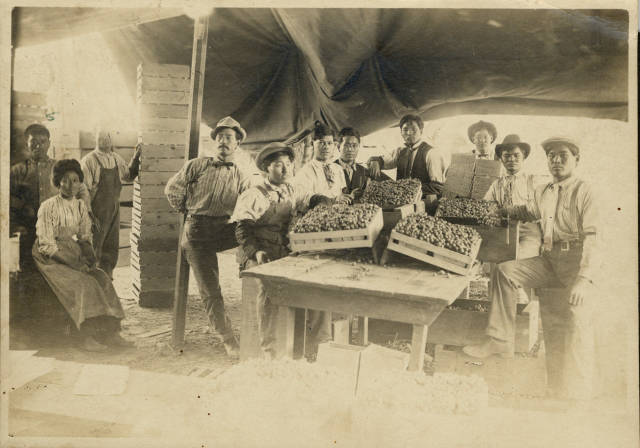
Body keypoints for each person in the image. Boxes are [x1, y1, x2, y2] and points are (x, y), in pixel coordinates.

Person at [463, 137, 598, 403]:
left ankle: (581, 393)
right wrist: (496, 212)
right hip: (549, 260)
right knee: (504, 271)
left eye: (563, 156)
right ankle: (500, 341)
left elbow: (595, 238)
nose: (556, 161)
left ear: (576, 160)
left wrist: (584, 279)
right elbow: (526, 210)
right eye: (551, 156)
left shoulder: (585, 191)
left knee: (577, 321)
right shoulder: (545, 190)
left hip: (576, 261)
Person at [233, 143, 330, 358]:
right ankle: (271, 351)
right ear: (267, 168)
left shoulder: (290, 190)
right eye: (279, 165)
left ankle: (311, 348)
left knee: (315, 288)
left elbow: (307, 199)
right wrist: (256, 252)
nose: (286, 170)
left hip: (284, 251)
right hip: (261, 253)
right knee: (271, 294)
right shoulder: (254, 195)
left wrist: (322, 201)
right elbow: (243, 231)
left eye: (289, 164)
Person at [165, 116, 251, 358]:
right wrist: (189, 211)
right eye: (220, 137)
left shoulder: (241, 175)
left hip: (223, 229)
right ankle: (228, 338)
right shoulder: (197, 165)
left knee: (255, 231)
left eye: (229, 138)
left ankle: (247, 262)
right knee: (211, 289)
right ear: (215, 142)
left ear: (237, 145)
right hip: (197, 232)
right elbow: (172, 189)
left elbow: (248, 203)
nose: (223, 142)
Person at [32, 159, 131, 352]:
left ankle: (111, 333)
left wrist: (91, 259)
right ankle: (85, 337)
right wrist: (74, 265)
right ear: (57, 182)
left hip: (71, 250)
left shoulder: (80, 206)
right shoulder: (48, 207)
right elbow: (46, 244)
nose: (71, 185)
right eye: (66, 180)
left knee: (102, 278)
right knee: (83, 284)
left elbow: (85, 237)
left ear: (80, 183)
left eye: (76, 180)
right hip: (50, 257)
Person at [11, 124, 92, 273]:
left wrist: (84, 211)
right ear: (26, 143)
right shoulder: (18, 170)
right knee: (30, 270)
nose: (38, 146)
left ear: (49, 143)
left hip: (56, 231)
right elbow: (8, 199)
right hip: (28, 227)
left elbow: (81, 189)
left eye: (43, 141)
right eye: (33, 141)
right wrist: (19, 218)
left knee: (58, 268)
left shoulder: (58, 168)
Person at [80, 129, 141, 278]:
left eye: (108, 137)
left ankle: (107, 279)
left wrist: (137, 156)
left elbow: (128, 176)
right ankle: (93, 282)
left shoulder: (116, 159)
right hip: (96, 211)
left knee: (111, 246)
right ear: (95, 139)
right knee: (95, 246)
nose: (105, 140)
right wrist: (89, 215)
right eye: (101, 137)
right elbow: (84, 191)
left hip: (113, 210)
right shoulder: (89, 160)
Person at [484, 134, 545, 259]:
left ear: (523, 157)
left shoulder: (533, 181)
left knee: (517, 259)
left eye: (516, 155)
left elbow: (541, 209)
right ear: (501, 159)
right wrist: (491, 212)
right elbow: (487, 206)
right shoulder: (497, 184)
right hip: (503, 231)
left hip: (528, 232)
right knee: (489, 261)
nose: (511, 159)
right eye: (507, 156)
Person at [367, 114, 449, 197]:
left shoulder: (431, 153)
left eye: (414, 129)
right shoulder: (400, 152)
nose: (409, 133)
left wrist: (408, 189)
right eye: (405, 130)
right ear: (401, 132)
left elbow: (437, 187)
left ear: (421, 131)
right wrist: (375, 161)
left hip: (424, 202)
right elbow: (383, 160)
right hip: (401, 202)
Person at [294, 122, 350, 205]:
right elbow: (302, 198)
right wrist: (332, 201)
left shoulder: (338, 169)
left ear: (334, 145)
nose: (326, 147)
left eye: (329, 143)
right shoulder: (306, 171)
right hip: (316, 215)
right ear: (313, 143)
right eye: (321, 142)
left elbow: (341, 194)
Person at [333, 127, 372, 198]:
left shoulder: (364, 172)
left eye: (354, 145)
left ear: (359, 147)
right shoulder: (329, 169)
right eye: (346, 145)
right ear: (338, 147)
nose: (350, 149)